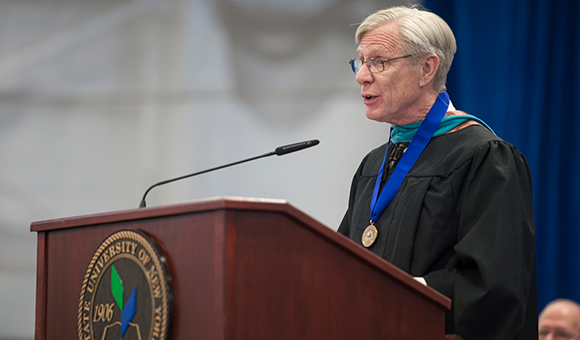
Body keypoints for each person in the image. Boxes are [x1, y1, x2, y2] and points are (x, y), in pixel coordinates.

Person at [338, 5, 537, 339]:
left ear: (426, 68)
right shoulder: (373, 165)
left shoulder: (483, 156)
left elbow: (495, 284)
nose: (362, 75)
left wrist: (400, 293)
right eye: (361, 61)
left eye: (379, 61)